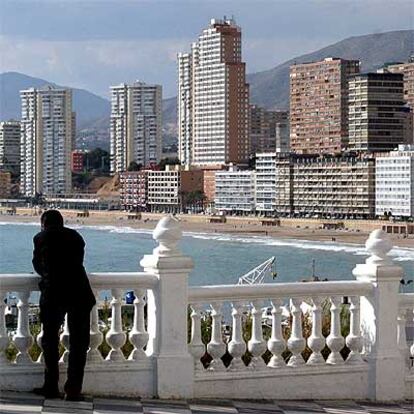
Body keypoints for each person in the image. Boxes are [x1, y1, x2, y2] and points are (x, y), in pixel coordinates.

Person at [32, 210, 96, 401]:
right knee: (79, 343)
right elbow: (78, 262)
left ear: (43, 223)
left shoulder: (41, 238)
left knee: (50, 341)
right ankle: (73, 390)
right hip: (79, 293)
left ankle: (51, 386)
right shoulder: (76, 237)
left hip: (54, 293)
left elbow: (38, 265)